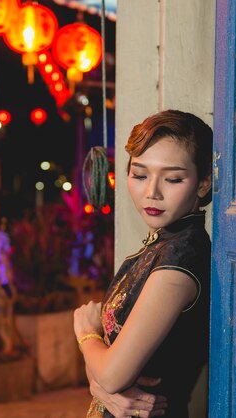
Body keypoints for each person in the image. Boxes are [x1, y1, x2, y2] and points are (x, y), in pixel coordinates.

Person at [73, 109, 212, 418]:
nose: (152, 192)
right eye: (139, 174)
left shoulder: (181, 259)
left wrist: (84, 332)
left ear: (203, 184)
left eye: (173, 178)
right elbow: (107, 373)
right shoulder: (161, 246)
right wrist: (99, 385)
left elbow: (112, 374)